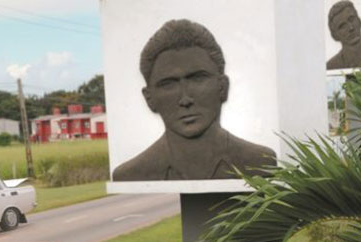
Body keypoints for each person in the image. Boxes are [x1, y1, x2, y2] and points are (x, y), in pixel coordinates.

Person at [112, 19, 276, 181]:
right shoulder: (131, 174)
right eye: (168, 84)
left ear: (222, 87)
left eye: (198, 79)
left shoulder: (261, 161)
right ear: (149, 99)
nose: (185, 100)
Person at [326, 1, 361, 70]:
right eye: (342, 26)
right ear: (334, 35)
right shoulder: (331, 67)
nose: (351, 28)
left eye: (351, 19)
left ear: (359, 21)